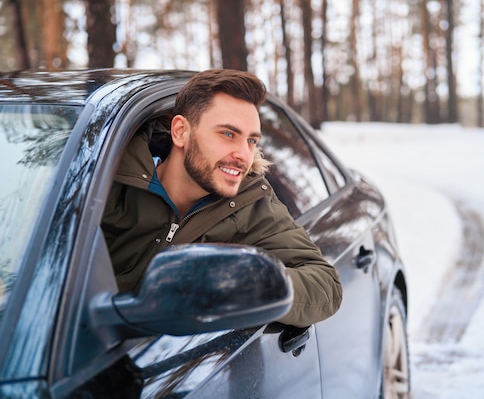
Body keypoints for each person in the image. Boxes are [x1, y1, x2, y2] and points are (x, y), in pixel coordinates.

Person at [101, 68, 342, 328]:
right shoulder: (105, 181)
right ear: (181, 132)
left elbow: (325, 285)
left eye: (251, 140)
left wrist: (241, 283)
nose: (243, 155)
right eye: (228, 134)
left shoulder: (251, 205)